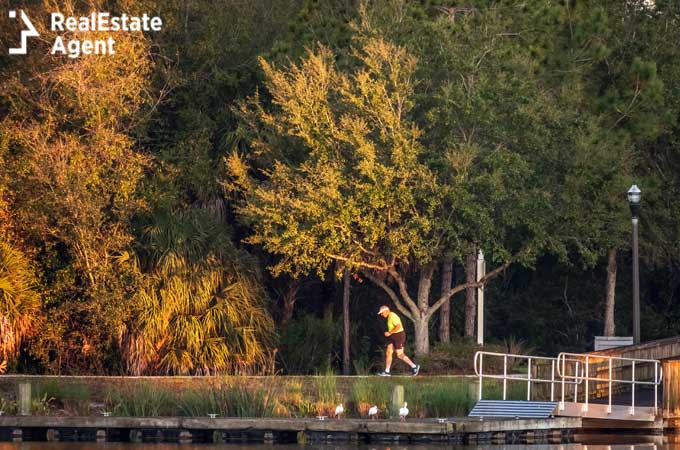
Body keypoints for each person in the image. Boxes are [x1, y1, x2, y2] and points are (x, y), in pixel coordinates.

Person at [377, 305, 420, 376]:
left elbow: (398, 326)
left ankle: (414, 367)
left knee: (399, 354)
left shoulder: (392, 316)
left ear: (386, 311)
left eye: (382, 313)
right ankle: (387, 371)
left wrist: (389, 332)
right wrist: (389, 333)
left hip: (399, 336)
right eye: (381, 313)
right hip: (393, 336)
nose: (381, 314)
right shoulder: (389, 317)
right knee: (388, 352)